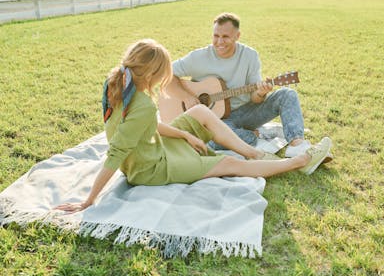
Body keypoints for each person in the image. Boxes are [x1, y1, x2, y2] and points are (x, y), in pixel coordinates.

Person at [55, 39, 332, 213]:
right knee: (227, 165)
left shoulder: (117, 83)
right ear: (152, 74)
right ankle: (300, 162)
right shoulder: (142, 105)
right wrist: (88, 200)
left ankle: (254, 153)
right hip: (152, 169)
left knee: (200, 110)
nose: (167, 78)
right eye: (164, 73)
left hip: (155, 150)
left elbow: (147, 128)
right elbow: (115, 153)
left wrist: (186, 135)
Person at [163, 12, 331, 159]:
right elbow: (167, 73)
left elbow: (255, 99)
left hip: (246, 112)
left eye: (226, 37)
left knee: (287, 94)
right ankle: (256, 135)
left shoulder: (249, 56)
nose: (219, 41)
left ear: (237, 36)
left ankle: (297, 145)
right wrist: (186, 96)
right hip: (215, 121)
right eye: (216, 36)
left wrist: (260, 93)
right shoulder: (199, 57)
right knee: (212, 141)